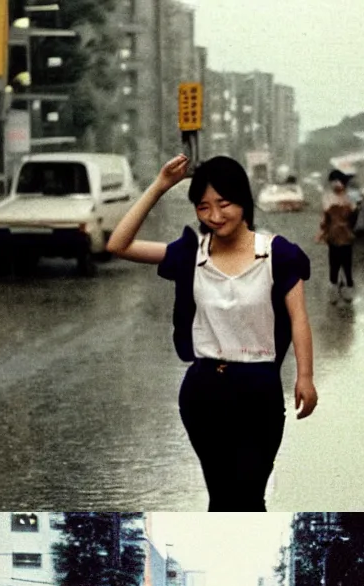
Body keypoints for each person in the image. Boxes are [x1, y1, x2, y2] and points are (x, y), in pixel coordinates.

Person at [107, 154, 316, 511]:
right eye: (203, 207)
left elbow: (299, 318)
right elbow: (118, 245)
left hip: (259, 391)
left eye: (224, 204)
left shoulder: (277, 254)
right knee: (221, 496)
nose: (215, 216)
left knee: (249, 496)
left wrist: (306, 377)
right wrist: (159, 185)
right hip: (204, 392)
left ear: (243, 201)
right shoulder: (191, 254)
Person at [318, 172, 356, 303]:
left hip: (346, 235)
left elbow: (353, 217)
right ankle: (335, 291)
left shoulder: (349, 197)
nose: (335, 184)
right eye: (333, 181)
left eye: (337, 181)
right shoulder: (327, 197)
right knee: (334, 264)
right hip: (334, 236)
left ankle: (347, 289)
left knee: (347, 264)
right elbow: (325, 218)